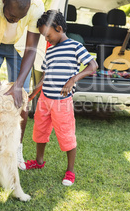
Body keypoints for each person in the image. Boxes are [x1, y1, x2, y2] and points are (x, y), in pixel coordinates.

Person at [19, 10, 98, 186]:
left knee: (66, 134)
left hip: (62, 101)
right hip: (45, 99)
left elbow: (93, 65)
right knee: (40, 131)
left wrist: (73, 79)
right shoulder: (50, 51)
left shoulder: (75, 46)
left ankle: (70, 171)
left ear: (59, 28)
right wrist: (34, 94)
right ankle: (39, 162)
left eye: (48, 35)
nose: (46, 39)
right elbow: (45, 75)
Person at [0, 0, 45, 166]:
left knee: (22, 98)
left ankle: (17, 148)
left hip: (21, 48)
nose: (16, 21)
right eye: (12, 16)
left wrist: (17, 86)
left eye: (20, 18)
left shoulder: (37, 7)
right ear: (3, 3)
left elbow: (31, 48)